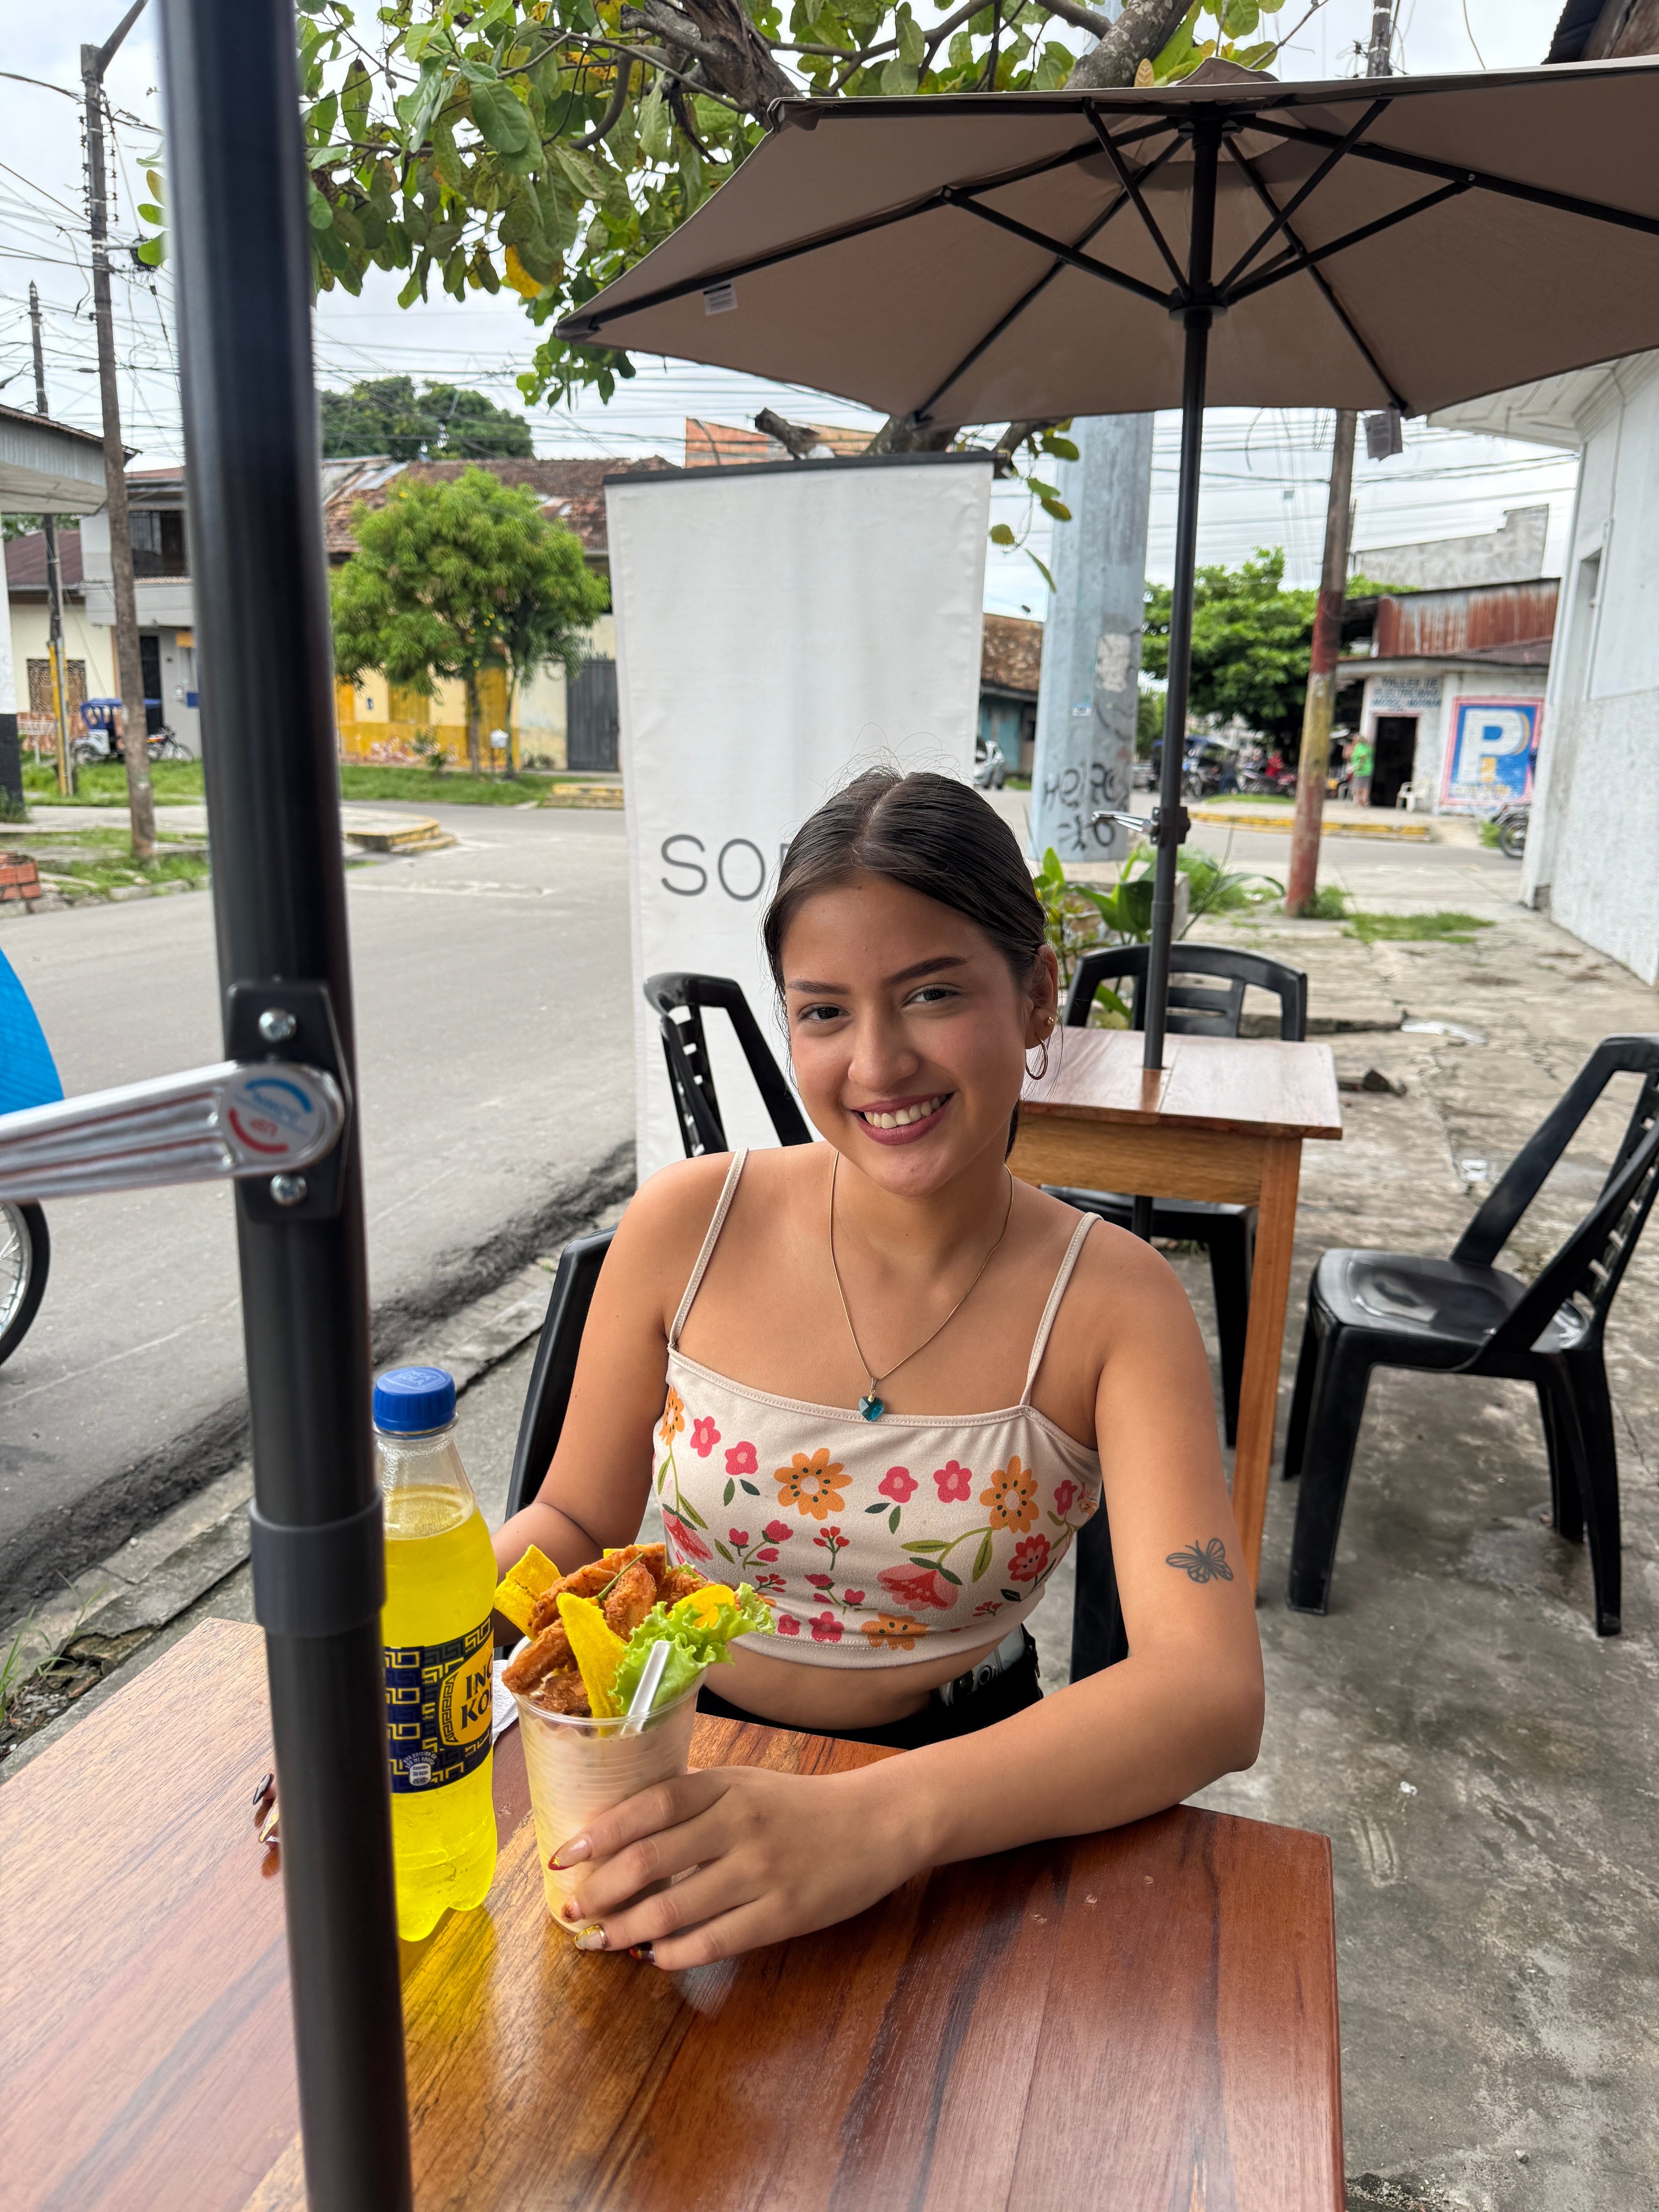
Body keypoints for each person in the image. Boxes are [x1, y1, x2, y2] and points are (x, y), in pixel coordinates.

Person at [494, 769, 1263, 1968]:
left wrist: (874, 1823)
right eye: (824, 1013)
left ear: (1038, 996)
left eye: (934, 994)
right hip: (660, 1759)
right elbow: (574, 1515)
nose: (878, 1064)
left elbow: (1210, 1691)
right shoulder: (689, 1226)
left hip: (961, 1805)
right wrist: (399, 1653)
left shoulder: (1117, 1306)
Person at [1348, 728, 1374, 807]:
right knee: (1366, 786)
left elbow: (1363, 755)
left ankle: (1359, 802)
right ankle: (1365, 802)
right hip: (1368, 769)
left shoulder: (1359, 747)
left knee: (1358, 786)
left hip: (1361, 770)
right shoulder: (1367, 747)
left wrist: (1360, 765)